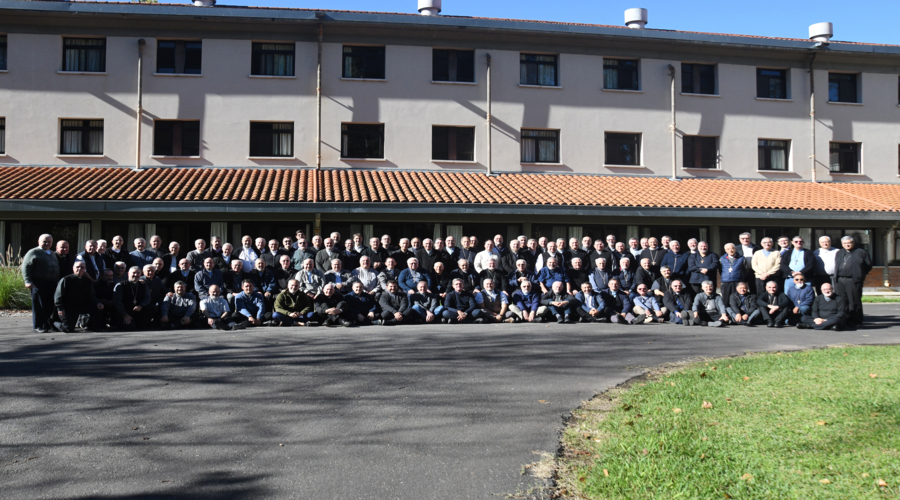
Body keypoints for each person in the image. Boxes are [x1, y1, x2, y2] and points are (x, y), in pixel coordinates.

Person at [21, 234, 61, 333]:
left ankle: (45, 324)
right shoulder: (34, 252)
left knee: (49, 305)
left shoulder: (51, 253)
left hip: (51, 283)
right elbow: (26, 267)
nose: (47, 243)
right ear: (39, 242)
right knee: (39, 305)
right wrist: (28, 281)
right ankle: (38, 325)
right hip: (39, 282)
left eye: (49, 242)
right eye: (44, 241)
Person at [52, 260, 104, 332]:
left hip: (82, 305)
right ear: (73, 268)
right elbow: (58, 296)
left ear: (85, 269)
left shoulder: (87, 281)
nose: (80, 269)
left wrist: (98, 303)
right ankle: (53, 322)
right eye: (77, 267)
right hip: (68, 308)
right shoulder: (66, 280)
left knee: (97, 308)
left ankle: (90, 326)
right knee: (68, 329)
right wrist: (60, 308)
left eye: (82, 267)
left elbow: (92, 295)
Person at [833, 236, 872, 327]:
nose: (847, 245)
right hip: (840, 280)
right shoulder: (839, 252)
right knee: (842, 301)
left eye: (849, 243)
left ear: (853, 243)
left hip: (853, 280)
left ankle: (856, 321)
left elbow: (868, 265)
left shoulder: (861, 252)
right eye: (845, 243)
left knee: (854, 301)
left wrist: (859, 274)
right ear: (842, 244)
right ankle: (845, 319)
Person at [719, 243, 746, 307]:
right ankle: (726, 314)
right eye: (728, 249)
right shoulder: (722, 258)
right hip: (726, 281)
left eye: (732, 248)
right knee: (726, 299)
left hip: (737, 280)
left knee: (736, 298)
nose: (730, 250)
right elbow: (720, 269)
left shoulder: (741, 258)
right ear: (725, 250)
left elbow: (745, 269)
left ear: (735, 249)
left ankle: (737, 313)